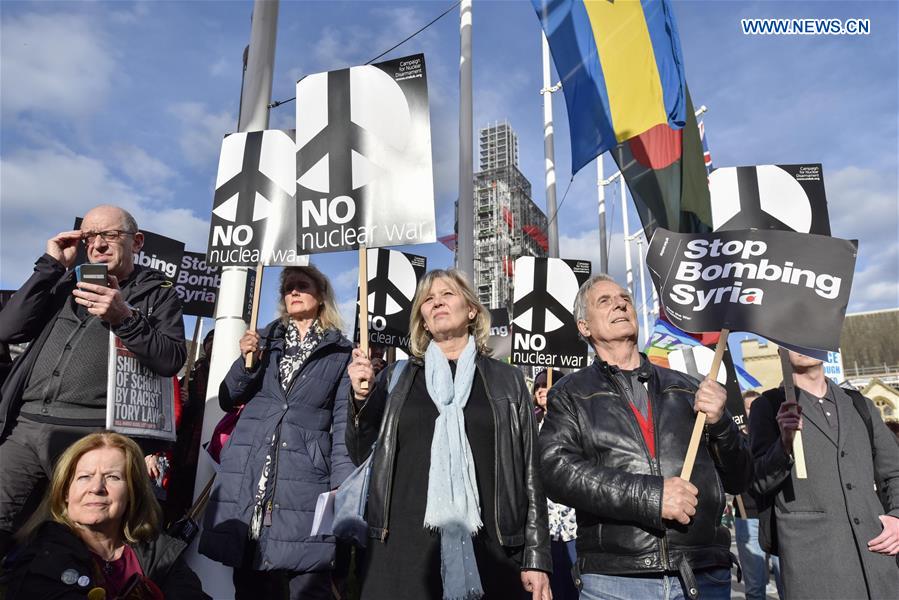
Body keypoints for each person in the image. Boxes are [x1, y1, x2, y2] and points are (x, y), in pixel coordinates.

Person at [539, 274, 751, 600]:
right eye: (604, 301)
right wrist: (652, 497)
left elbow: (740, 478)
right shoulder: (569, 393)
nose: (621, 303)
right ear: (584, 327)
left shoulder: (689, 388)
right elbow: (556, 471)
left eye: (624, 297)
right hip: (617, 579)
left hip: (701, 570)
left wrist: (721, 424)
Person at [346, 269, 552, 600]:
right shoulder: (396, 379)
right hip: (401, 550)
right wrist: (360, 401)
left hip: (492, 549)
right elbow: (362, 454)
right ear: (423, 320)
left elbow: (531, 472)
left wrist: (537, 558)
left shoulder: (507, 379)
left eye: (448, 294)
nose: (437, 301)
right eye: (428, 299)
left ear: (472, 310)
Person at [0, 205, 187, 556]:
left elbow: (171, 359)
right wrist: (51, 265)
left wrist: (124, 318)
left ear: (138, 242)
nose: (98, 244)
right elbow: (7, 328)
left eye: (110, 235)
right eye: (89, 237)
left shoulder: (158, 293)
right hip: (24, 428)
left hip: (89, 438)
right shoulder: (62, 281)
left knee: (74, 544)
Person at [199, 266, 355, 600]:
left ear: (321, 294)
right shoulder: (263, 339)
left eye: (302, 286)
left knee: (308, 578)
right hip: (252, 469)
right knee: (249, 577)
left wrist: (341, 481)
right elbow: (229, 398)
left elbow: (342, 422)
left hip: (306, 474)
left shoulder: (342, 351)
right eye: (287, 288)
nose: (293, 292)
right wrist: (246, 363)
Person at [750, 350, 899, 599]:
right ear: (780, 352)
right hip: (815, 569)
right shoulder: (767, 406)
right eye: (791, 339)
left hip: (877, 560)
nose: (800, 344)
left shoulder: (860, 404)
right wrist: (784, 444)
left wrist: (897, 516)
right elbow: (758, 481)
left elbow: (894, 471)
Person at [2, 431, 208, 598]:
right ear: (65, 492)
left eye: (112, 477)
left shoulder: (156, 549)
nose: (96, 488)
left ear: (133, 491)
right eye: (84, 477)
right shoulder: (42, 556)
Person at [732, 390, 782, 600]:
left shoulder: (774, 435)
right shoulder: (734, 439)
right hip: (748, 515)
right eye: (749, 407)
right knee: (755, 587)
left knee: (787, 582)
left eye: (757, 406)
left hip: (776, 514)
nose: (753, 411)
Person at [534, 369, 579, 600]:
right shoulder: (529, 421)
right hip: (542, 524)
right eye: (538, 385)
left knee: (571, 585)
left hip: (571, 523)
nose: (542, 389)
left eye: (547, 384)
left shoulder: (574, 419)